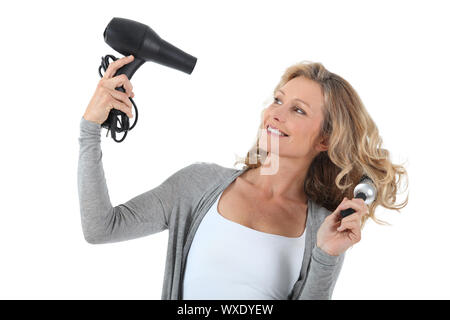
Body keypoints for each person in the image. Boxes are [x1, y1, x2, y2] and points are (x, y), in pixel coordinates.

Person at [78, 55, 408, 300]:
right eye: (278, 100)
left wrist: (327, 255)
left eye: (298, 110)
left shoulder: (323, 228)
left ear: (324, 140)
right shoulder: (199, 185)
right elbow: (101, 227)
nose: (275, 113)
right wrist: (90, 128)